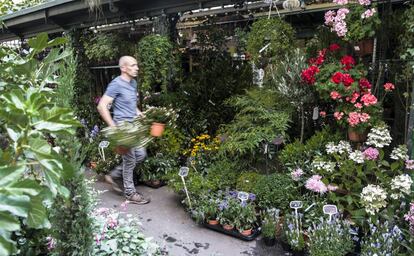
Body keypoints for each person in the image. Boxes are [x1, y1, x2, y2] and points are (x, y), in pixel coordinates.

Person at [97, 56, 150, 205]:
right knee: (130, 159)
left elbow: (131, 104)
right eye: (133, 65)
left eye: (136, 65)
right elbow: (102, 106)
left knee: (141, 154)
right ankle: (130, 193)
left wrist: (141, 114)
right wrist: (114, 127)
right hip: (122, 127)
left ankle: (114, 175)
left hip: (134, 127)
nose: (137, 68)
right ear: (124, 68)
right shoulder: (116, 84)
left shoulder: (133, 83)